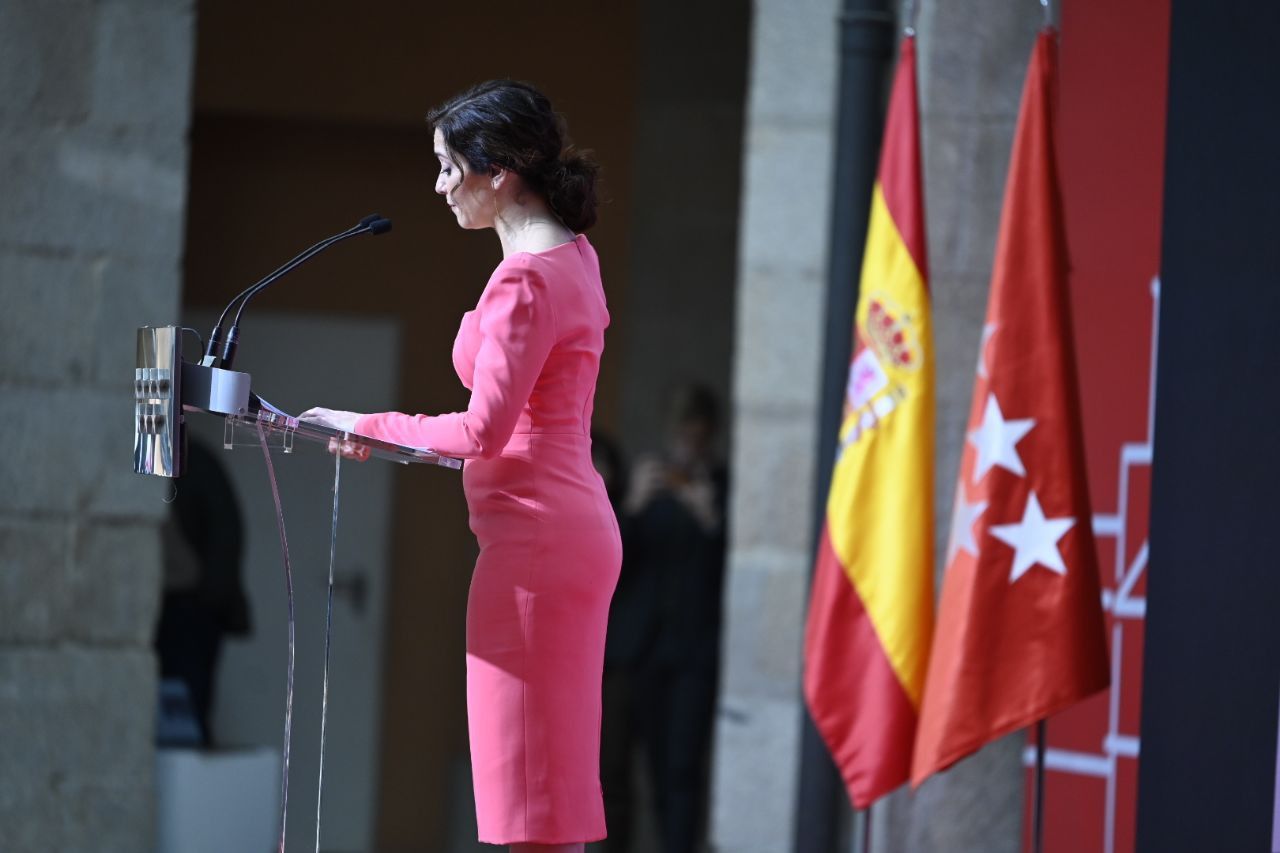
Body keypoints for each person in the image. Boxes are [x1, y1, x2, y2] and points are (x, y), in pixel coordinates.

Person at [299, 80, 621, 853]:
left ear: (499, 171)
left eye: (449, 168)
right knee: (543, 798)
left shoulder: (527, 279)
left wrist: (364, 422)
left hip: (536, 546)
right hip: (562, 533)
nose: (440, 186)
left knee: (532, 801)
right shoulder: (569, 255)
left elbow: (483, 429)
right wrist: (390, 439)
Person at [616, 384, 727, 853]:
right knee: (639, 765)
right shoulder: (648, 481)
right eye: (681, 433)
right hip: (644, 647)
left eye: (697, 434)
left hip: (693, 651)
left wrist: (709, 516)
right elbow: (613, 561)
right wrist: (631, 508)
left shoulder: (720, 487)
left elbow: (733, 567)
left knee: (682, 767)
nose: (688, 444)